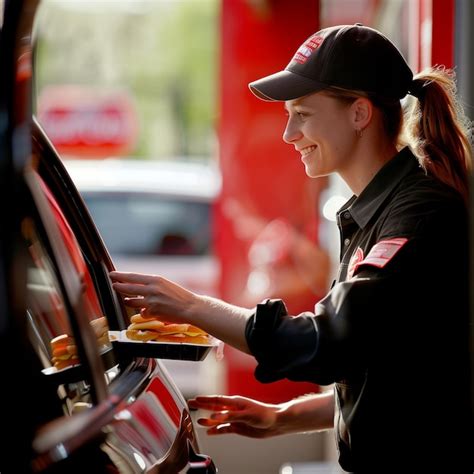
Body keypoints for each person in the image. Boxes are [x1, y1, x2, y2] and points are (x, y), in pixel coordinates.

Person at [110, 23, 473, 472]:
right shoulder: (377, 210)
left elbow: (330, 341)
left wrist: (192, 307)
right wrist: (283, 417)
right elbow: (384, 369)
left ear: (360, 113)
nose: (288, 134)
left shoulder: (417, 213)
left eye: (302, 113)